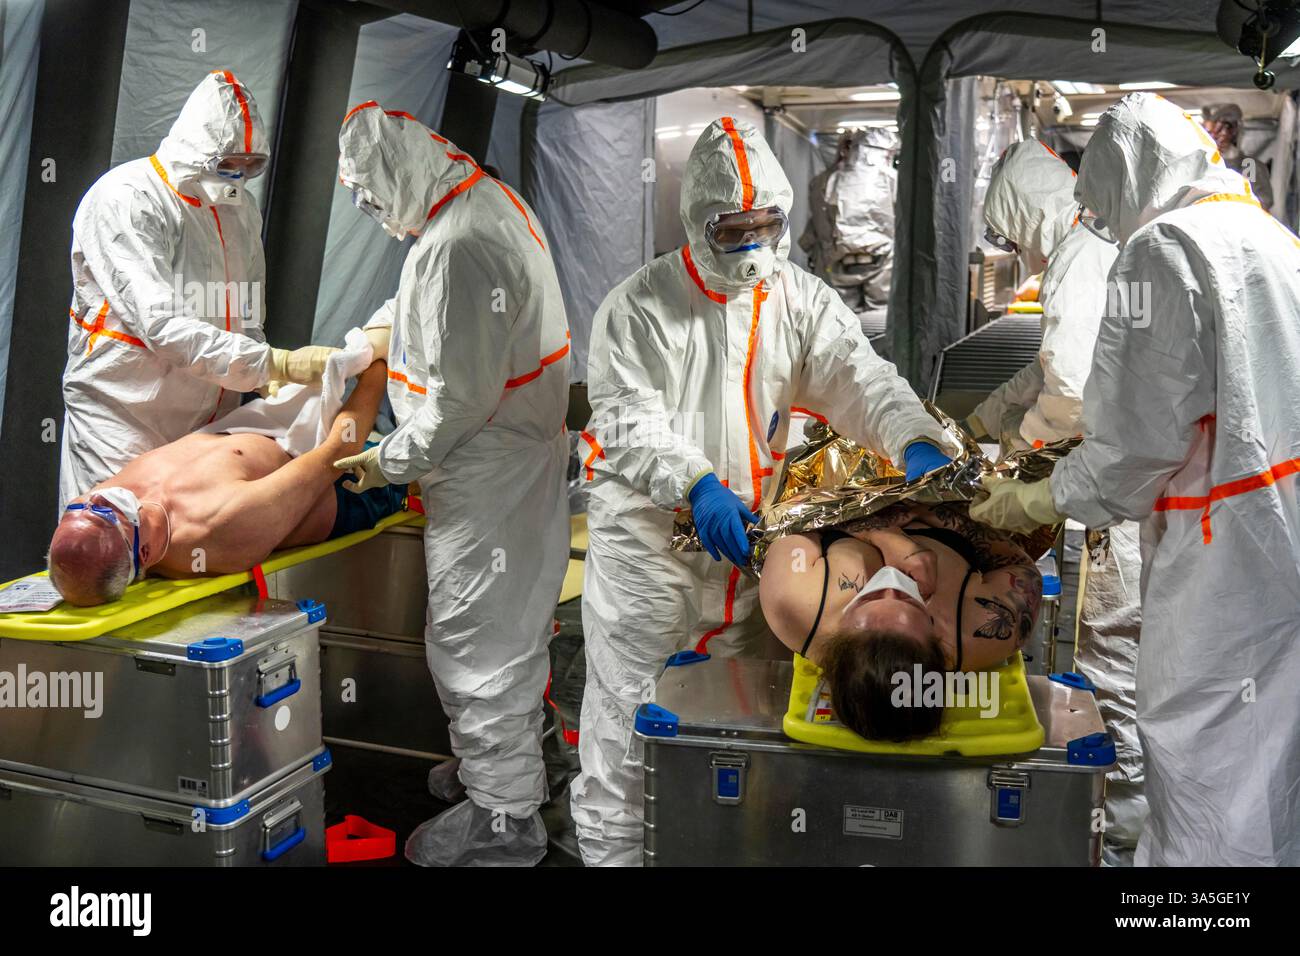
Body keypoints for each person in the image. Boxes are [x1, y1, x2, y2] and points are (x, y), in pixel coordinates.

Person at [573, 116, 955, 866]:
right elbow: (627, 419)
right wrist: (697, 484)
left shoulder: (799, 298)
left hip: (753, 546)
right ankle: (614, 853)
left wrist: (912, 436)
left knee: (739, 719)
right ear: (697, 222)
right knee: (628, 721)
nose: (751, 245)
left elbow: (859, 377)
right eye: (732, 229)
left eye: (765, 225)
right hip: (650, 550)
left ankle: (714, 846)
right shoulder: (638, 307)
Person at [971, 92, 1300, 866]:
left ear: (1123, 175)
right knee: (1269, 761)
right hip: (1275, 534)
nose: (1098, 222)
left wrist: (1037, 496)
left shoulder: (1164, 248)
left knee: (1201, 763)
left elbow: (1131, 449)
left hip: (1222, 552)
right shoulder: (1268, 237)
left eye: (1099, 201)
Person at [330, 102, 571, 867]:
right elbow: (443, 312)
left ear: (400, 173)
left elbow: (460, 401)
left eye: (371, 196)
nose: (372, 213)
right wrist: (382, 328)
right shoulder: (476, 200)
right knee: (514, 626)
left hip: (483, 469)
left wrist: (387, 461)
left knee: (473, 642)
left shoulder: (459, 241)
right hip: (514, 460)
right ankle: (512, 766)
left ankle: (505, 817)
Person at [966, 140, 1144, 864]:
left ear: (1021, 216)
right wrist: (979, 419)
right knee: (1123, 662)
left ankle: (1124, 835)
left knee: (1112, 670)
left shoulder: (1077, 258)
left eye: (1010, 235)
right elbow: (1042, 372)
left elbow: (1067, 398)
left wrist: (1017, 468)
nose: (1016, 251)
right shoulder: (1093, 250)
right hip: (1129, 497)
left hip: (1117, 511)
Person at [59, 70, 337, 509]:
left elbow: (246, 309)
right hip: (124, 410)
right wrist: (273, 364)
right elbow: (161, 324)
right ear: (195, 147)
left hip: (207, 412)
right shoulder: (128, 198)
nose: (238, 176)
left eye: (249, 165)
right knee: (110, 536)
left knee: (183, 543)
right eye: (228, 162)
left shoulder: (238, 210)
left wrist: (267, 377)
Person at [49, 358, 402, 606]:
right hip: (349, 482)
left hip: (275, 432)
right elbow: (339, 452)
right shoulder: (217, 526)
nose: (98, 498)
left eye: (81, 506)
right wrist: (376, 369)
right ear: (144, 553)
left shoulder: (104, 505)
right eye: (103, 512)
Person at [759, 502, 1043, 740]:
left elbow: (789, 515)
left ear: (834, 641)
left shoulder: (793, 603)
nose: (893, 580)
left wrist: (882, 533)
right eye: (911, 602)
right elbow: (1020, 566)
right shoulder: (982, 628)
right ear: (939, 644)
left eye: (868, 599)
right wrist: (940, 516)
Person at [798, 127, 899, 312]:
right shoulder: (891, 178)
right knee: (879, 319)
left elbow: (817, 223)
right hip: (881, 262)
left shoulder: (823, 179)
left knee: (841, 321)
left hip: (836, 263)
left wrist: (816, 250)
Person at [1202, 102, 1273, 211]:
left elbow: (1263, 201)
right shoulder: (1202, 163)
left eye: (1219, 131)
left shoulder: (1249, 165)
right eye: (1209, 132)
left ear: (1233, 132)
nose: (1215, 137)